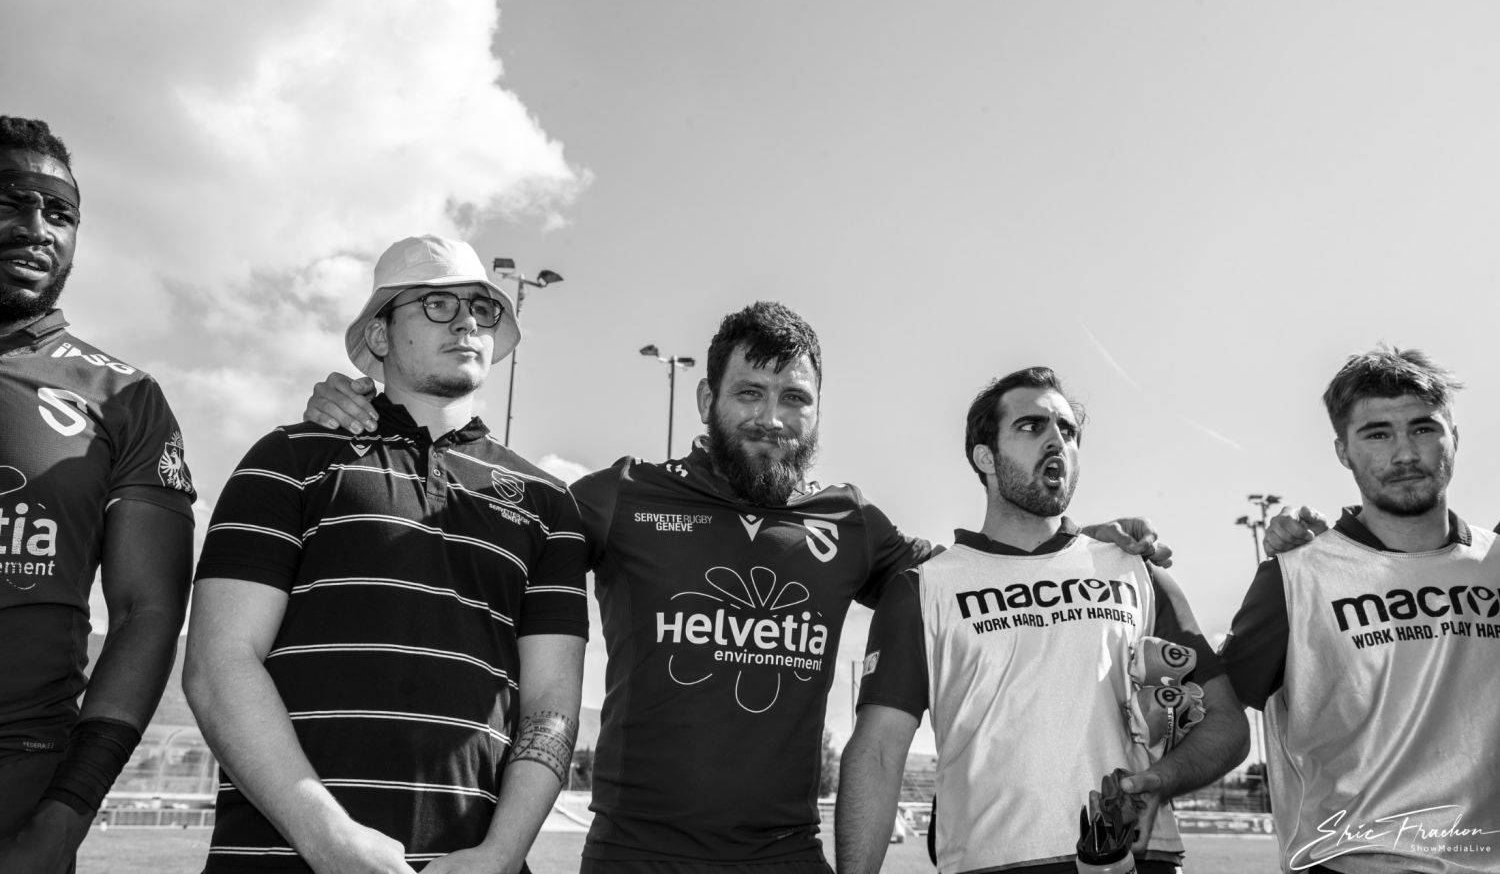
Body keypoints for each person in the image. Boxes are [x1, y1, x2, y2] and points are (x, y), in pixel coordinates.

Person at [303, 302, 1168, 872]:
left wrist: (1073, 542)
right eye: (750, 392)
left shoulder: (851, 524)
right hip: (634, 857)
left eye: (796, 398)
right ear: (705, 397)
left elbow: (974, 573)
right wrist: (375, 414)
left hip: (786, 857)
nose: (773, 417)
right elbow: (474, 520)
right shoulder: (618, 496)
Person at [185, 235, 588, 873]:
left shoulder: (549, 502)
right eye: (436, 304)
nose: (467, 323)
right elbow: (218, 663)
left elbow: (551, 708)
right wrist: (328, 839)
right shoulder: (287, 458)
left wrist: (501, 854)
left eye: (482, 309)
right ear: (379, 334)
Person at [836, 368, 1248, 874]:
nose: (1056, 440)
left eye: (1067, 431)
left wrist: (1160, 781)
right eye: (1031, 426)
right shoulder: (923, 590)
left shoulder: (1138, 572)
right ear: (985, 458)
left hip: (1137, 860)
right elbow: (878, 754)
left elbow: (1228, 723)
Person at [0, 116, 196, 874]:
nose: (36, 228)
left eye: (60, 212)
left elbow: (148, 612)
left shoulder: (125, 398)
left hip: (22, 779)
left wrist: (67, 814)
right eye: (12, 200)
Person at [1219, 347, 1500, 874]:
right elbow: (1216, 710)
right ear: (1343, 451)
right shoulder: (1296, 575)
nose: (1405, 453)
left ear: (1455, 438)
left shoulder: (1495, 563)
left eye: (1423, 429)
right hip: (1350, 863)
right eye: (1377, 434)